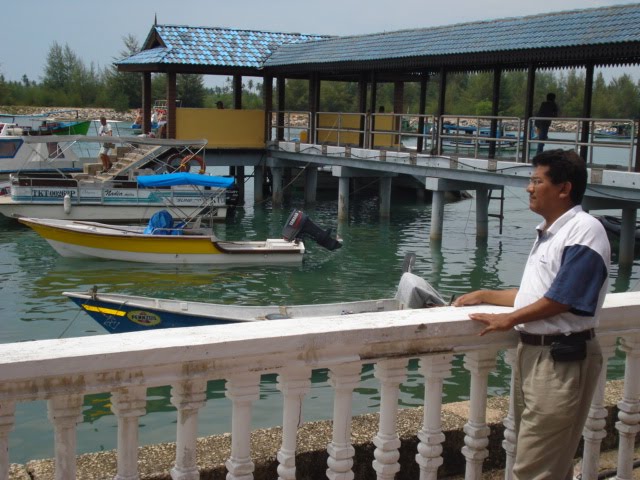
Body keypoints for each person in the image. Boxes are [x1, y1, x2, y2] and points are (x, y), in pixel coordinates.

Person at [453, 149, 610, 480]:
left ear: (563, 188)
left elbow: (564, 298)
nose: (529, 188)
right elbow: (534, 296)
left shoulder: (584, 229)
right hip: (535, 355)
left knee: (534, 469)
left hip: (561, 359)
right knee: (549, 463)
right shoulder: (550, 232)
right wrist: (484, 296)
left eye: (537, 181)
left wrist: (507, 319)